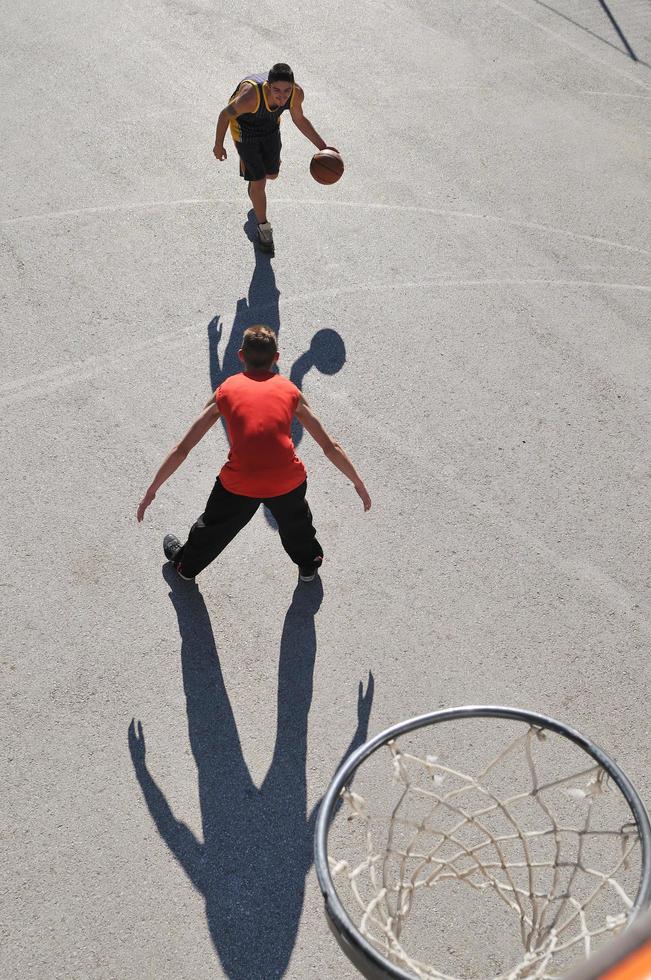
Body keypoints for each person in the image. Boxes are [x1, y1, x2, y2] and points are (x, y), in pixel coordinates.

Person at [136, 325, 371, 582]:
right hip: (286, 479)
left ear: (240, 356)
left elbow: (183, 449)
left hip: (239, 482)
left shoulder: (226, 391)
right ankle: (308, 565)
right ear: (276, 358)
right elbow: (329, 446)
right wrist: (357, 482)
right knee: (296, 523)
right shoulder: (291, 391)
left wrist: (152, 490)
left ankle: (186, 567)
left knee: (214, 527)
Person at [213, 63, 333, 253]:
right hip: (244, 131)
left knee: (272, 174)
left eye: (286, 90)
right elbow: (224, 115)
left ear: (293, 87)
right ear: (268, 86)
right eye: (276, 90)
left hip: (269, 127)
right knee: (259, 181)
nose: (282, 95)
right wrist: (218, 145)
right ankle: (264, 229)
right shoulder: (250, 97)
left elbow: (299, 119)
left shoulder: (295, 94)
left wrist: (323, 147)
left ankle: (254, 184)